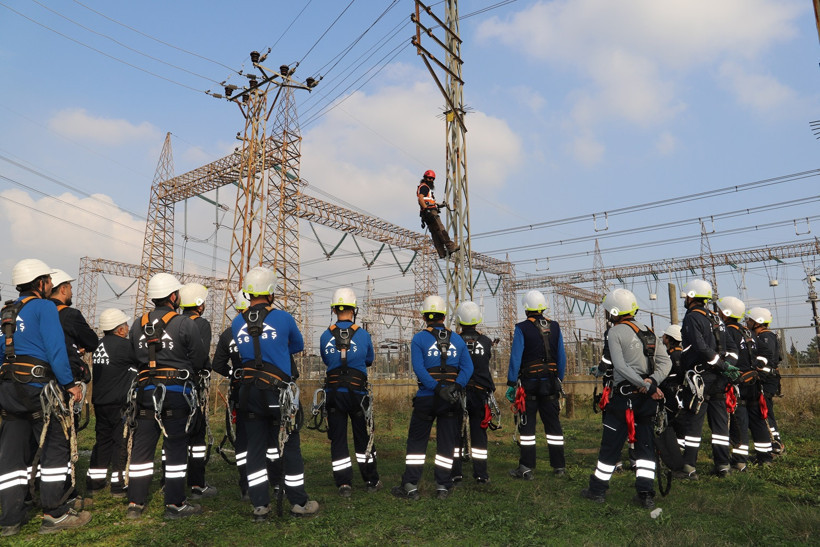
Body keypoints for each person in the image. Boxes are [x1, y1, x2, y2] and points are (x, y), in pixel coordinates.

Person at [0, 259, 91, 535]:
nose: (50, 285)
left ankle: (10, 519)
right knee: (55, 445)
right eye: (48, 281)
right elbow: (55, 349)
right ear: (39, 283)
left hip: (8, 388)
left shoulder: (7, 311)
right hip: (38, 388)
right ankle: (54, 513)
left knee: (12, 453)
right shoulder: (44, 307)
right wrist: (70, 384)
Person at [231, 267, 318, 520]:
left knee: (255, 449)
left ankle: (260, 505)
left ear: (248, 292)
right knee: (289, 445)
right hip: (277, 392)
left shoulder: (238, 321)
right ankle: (298, 503)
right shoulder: (283, 318)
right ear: (271, 292)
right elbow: (298, 345)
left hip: (248, 393)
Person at [125, 273, 208, 520]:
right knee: (175, 447)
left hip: (146, 391)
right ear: (173, 296)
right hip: (175, 392)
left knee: (142, 448)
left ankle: (135, 503)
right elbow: (200, 358)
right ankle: (174, 504)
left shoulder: (138, 324)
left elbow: (132, 357)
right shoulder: (184, 323)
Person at [581, 288, 670, 509]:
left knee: (610, 446)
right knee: (645, 447)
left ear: (614, 311)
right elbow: (665, 363)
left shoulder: (615, 332)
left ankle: (597, 491)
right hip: (646, 401)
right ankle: (645, 494)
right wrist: (651, 383)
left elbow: (620, 367)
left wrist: (644, 385)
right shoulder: (649, 331)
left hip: (624, 400)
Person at [391, 295, 473, 500]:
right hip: (451, 400)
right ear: (444, 316)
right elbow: (468, 368)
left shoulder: (419, 339)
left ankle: (410, 485)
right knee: (447, 442)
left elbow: (419, 368)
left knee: (417, 443)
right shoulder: (457, 339)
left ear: (425, 316)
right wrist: (455, 387)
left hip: (427, 398)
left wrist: (436, 388)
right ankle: (443, 486)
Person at [319, 288, 381, 497]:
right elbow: (369, 360)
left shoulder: (325, 336)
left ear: (334, 310)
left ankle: (344, 484)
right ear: (354, 310)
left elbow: (328, 361)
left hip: (334, 393)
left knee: (338, 439)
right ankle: (371, 479)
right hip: (357, 394)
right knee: (362, 436)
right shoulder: (363, 335)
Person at [679, 279, 740, 479]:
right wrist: (727, 365)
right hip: (720, 380)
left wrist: (718, 364)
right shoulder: (717, 319)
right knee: (720, 425)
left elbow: (700, 347)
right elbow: (732, 348)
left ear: (691, 296)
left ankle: (689, 467)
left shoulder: (692, 318)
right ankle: (723, 465)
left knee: (694, 422)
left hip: (701, 379)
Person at [48, 269, 98, 508]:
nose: (71, 290)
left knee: (39, 439)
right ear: (62, 288)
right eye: (69, 286)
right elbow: (92, 341)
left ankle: (34, 491)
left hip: (37, 384)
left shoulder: (34, 313)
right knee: (65, 438)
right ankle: (66, 492)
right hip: (65, 384)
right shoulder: (69, 314)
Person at [506, 290, 567, 480]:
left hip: (529, 385)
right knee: (553, 426)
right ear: (543, 307)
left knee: (528, 427)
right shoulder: (555, 327)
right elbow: (562, 357)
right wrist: (559, 379)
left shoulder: (522, 328)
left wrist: (511, 383)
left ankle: (526, 467)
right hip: (550, 383)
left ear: (526, 309)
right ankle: (559, 466)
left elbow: (516, 357)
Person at [87, 308, 138, 497]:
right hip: (119, 404)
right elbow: (143, 361)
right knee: (120, 443)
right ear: (120, 330)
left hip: (100, 402)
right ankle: (118, 485)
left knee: (102, 441)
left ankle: (95, 482)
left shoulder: (99, 345)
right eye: (126, 326)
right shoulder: (125, 346)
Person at [718, 298, 773, 469]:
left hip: (738, 382)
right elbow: (764, 352)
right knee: (758, 419)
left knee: (739, 420)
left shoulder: (727, 331)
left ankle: (740, 460)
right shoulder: (747, 331)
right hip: (754, 382)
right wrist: (758, 365)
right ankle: (765, 458)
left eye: (720, 310)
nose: (718, 313)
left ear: (726, 313)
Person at [178, 283, 217, 499]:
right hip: (192, 386)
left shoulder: (174, 323)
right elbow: (200, 355)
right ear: (199, 305)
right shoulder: (201, 324)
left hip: (172, 387)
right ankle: (196, 483)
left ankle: (169, 482)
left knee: (174, 438)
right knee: (196, 435)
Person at [450, 301, 495, 485]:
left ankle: (455, 473)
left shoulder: (454, 340)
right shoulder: (485, 341)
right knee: (479, 432)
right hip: (480, 392)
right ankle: (481, 474)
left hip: (459, 391)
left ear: (459, 320)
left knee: (455, 431)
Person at [212, 298, 252, 500]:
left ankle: (245, 485)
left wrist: (233, 373)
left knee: (243, 438)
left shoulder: (229, 333)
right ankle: (275, 482)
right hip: (267, 390)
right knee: (269, 436)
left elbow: (217, 364)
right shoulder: (265, 329)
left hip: (241, 390)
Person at [746, 307, 783, 456]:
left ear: (758, 322)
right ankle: (773, 441)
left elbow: (764, 359)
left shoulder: (765, 338)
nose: (747, 323)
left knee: (765, 412)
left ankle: (776, 443)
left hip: (766, 380)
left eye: (750, 320)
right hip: (768, 380)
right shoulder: (765, 336)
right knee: (765, 411)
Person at [655, 324, 687, 475]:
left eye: (664, 336)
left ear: (669, 339)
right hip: (682, 395)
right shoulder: (684, 354)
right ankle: (681, 451)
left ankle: (672, 455)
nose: (663, 338)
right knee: (681, 426)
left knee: (669, 423)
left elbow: (666, 376)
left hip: (671, 395)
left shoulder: (671, 356)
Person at [416, 170, 458, 259]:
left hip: (426, 214)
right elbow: (421, 199)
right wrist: (427, 210)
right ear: (425, 178)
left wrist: (439, 205)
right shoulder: (424, 187)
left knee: (435, 233)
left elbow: (428, 201)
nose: (431, 180)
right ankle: (450, 247)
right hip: (430, 212)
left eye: (432, 179)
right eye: (429, 178)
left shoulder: (425, 188)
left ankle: (442, 253)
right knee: (440, 229)